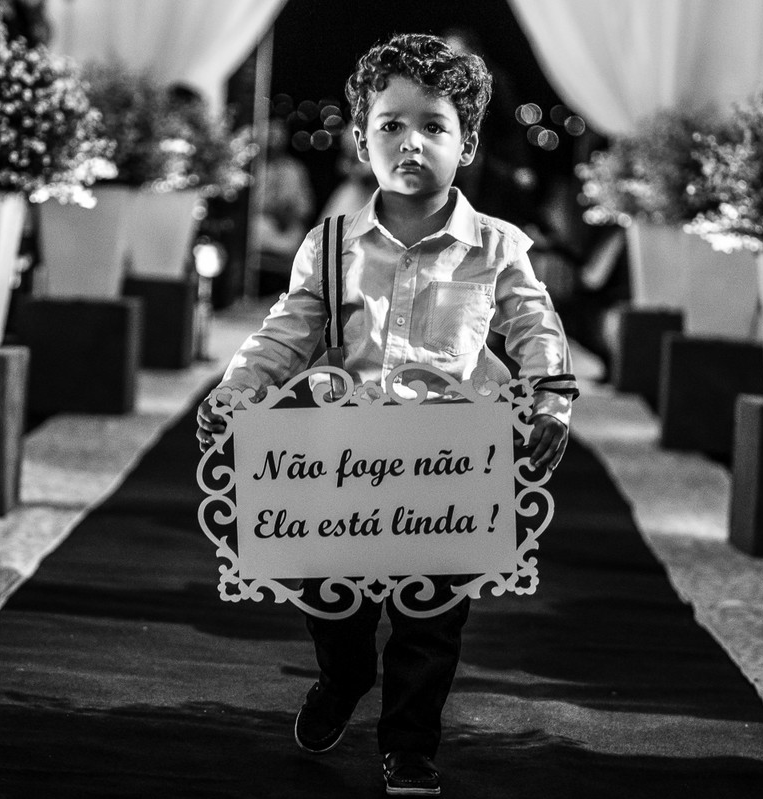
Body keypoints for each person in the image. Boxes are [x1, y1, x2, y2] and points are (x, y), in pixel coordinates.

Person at [196, 33, 578, 796]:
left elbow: (536, 328)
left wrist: (551, 398)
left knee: (432, 618)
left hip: (452, 462)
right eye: (391, 125)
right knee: (329, 596)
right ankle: (341, 680)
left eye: (434, 126)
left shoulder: (497, 246)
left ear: (466, 144)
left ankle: (409, 743)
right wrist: (238, 389)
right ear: (361, 138)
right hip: (345, 456)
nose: (411, 143)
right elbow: (288, 328)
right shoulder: (332, 243)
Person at [255, 118, 316, 296]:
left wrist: (289, 214)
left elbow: (305, 206)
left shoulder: (294, 169)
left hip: (289, 227)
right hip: (263, 225)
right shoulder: (256, 168)